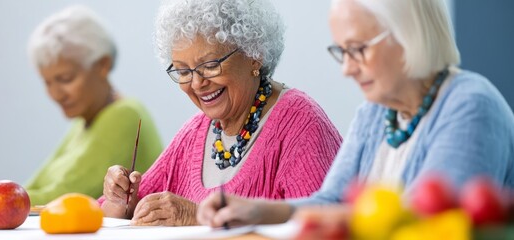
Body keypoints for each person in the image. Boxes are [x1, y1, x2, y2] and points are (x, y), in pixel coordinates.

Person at [197, 0, 514, 228]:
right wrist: (257, 210)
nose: (347, 69)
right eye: (341, 52)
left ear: (407, 35)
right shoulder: (375, 112)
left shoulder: (470, 104)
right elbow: (332, 202)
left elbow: (424, 220)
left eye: (358, 50)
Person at [99, 0, 342, 226]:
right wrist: (119, 200)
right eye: (183, 71)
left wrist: (198, 218)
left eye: (210, 66)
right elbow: (125, 213)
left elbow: (320, 227)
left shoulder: (300, 124)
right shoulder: (195, 132)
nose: (196, 83)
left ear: (254, 54)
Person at [0, 5, 163, 205]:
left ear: (103, 65)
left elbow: (61, 199)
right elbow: (32, 187)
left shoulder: (124, 116)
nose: (55, 94)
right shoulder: (83, 122)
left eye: (65, 79)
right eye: (48, 82)